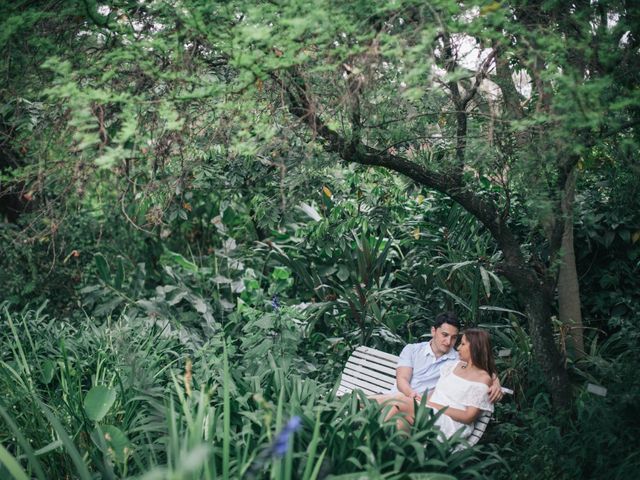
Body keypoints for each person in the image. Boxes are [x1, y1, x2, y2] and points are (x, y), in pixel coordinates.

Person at [371, 312, 501, 438]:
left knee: (396, 404)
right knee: (398, 413)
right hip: (401, 399)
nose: (449, 341)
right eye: (444, 335)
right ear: (433, 331)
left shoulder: (457, 360)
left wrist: (496, 382)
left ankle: (363, 424)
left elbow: (481, 367)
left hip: (420, 407)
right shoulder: (413, 350)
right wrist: (411, 395)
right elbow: (402, 379)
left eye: (455, 338)